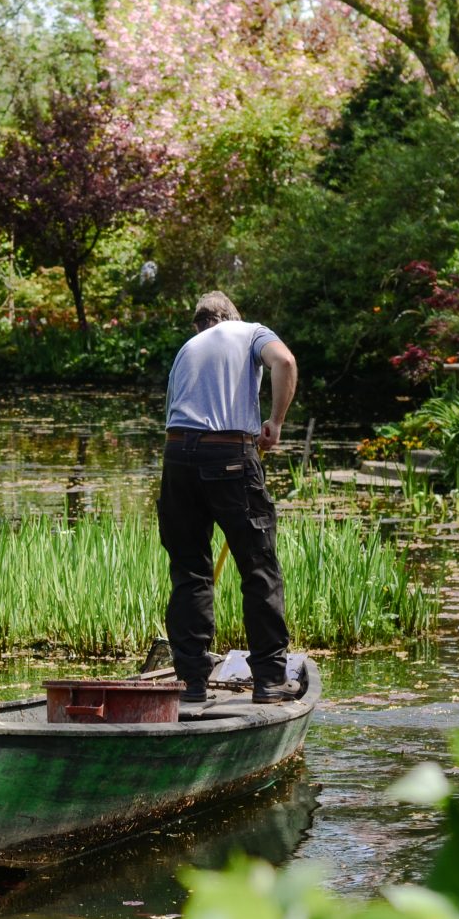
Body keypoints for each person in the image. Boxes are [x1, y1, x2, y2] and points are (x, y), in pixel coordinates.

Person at [158, 291, 299, 706]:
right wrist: (274, 422)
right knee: (258, 568)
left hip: (177, 453)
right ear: (231, 317)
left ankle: (192, 684)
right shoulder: (251, 332)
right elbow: (286, 362)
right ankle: (271, 679)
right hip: (230, 455)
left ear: (201, 324)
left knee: (190, 572)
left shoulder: (187, 349)